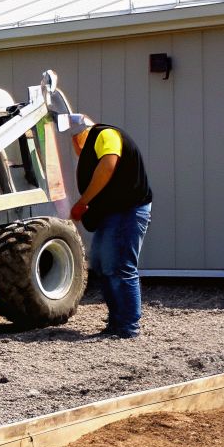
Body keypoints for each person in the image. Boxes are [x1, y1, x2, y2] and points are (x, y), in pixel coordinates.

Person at [65, 114, 153, 338]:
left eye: (75, 138)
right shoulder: (99, 140)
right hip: (115, 211)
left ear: (83, 133)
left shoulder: (105, 135)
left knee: (120, 265)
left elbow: (108, 165)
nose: (76, 146)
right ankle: (118, 322)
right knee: (102, 263)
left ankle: (127, 326)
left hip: (127, 210)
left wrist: (83, 202)